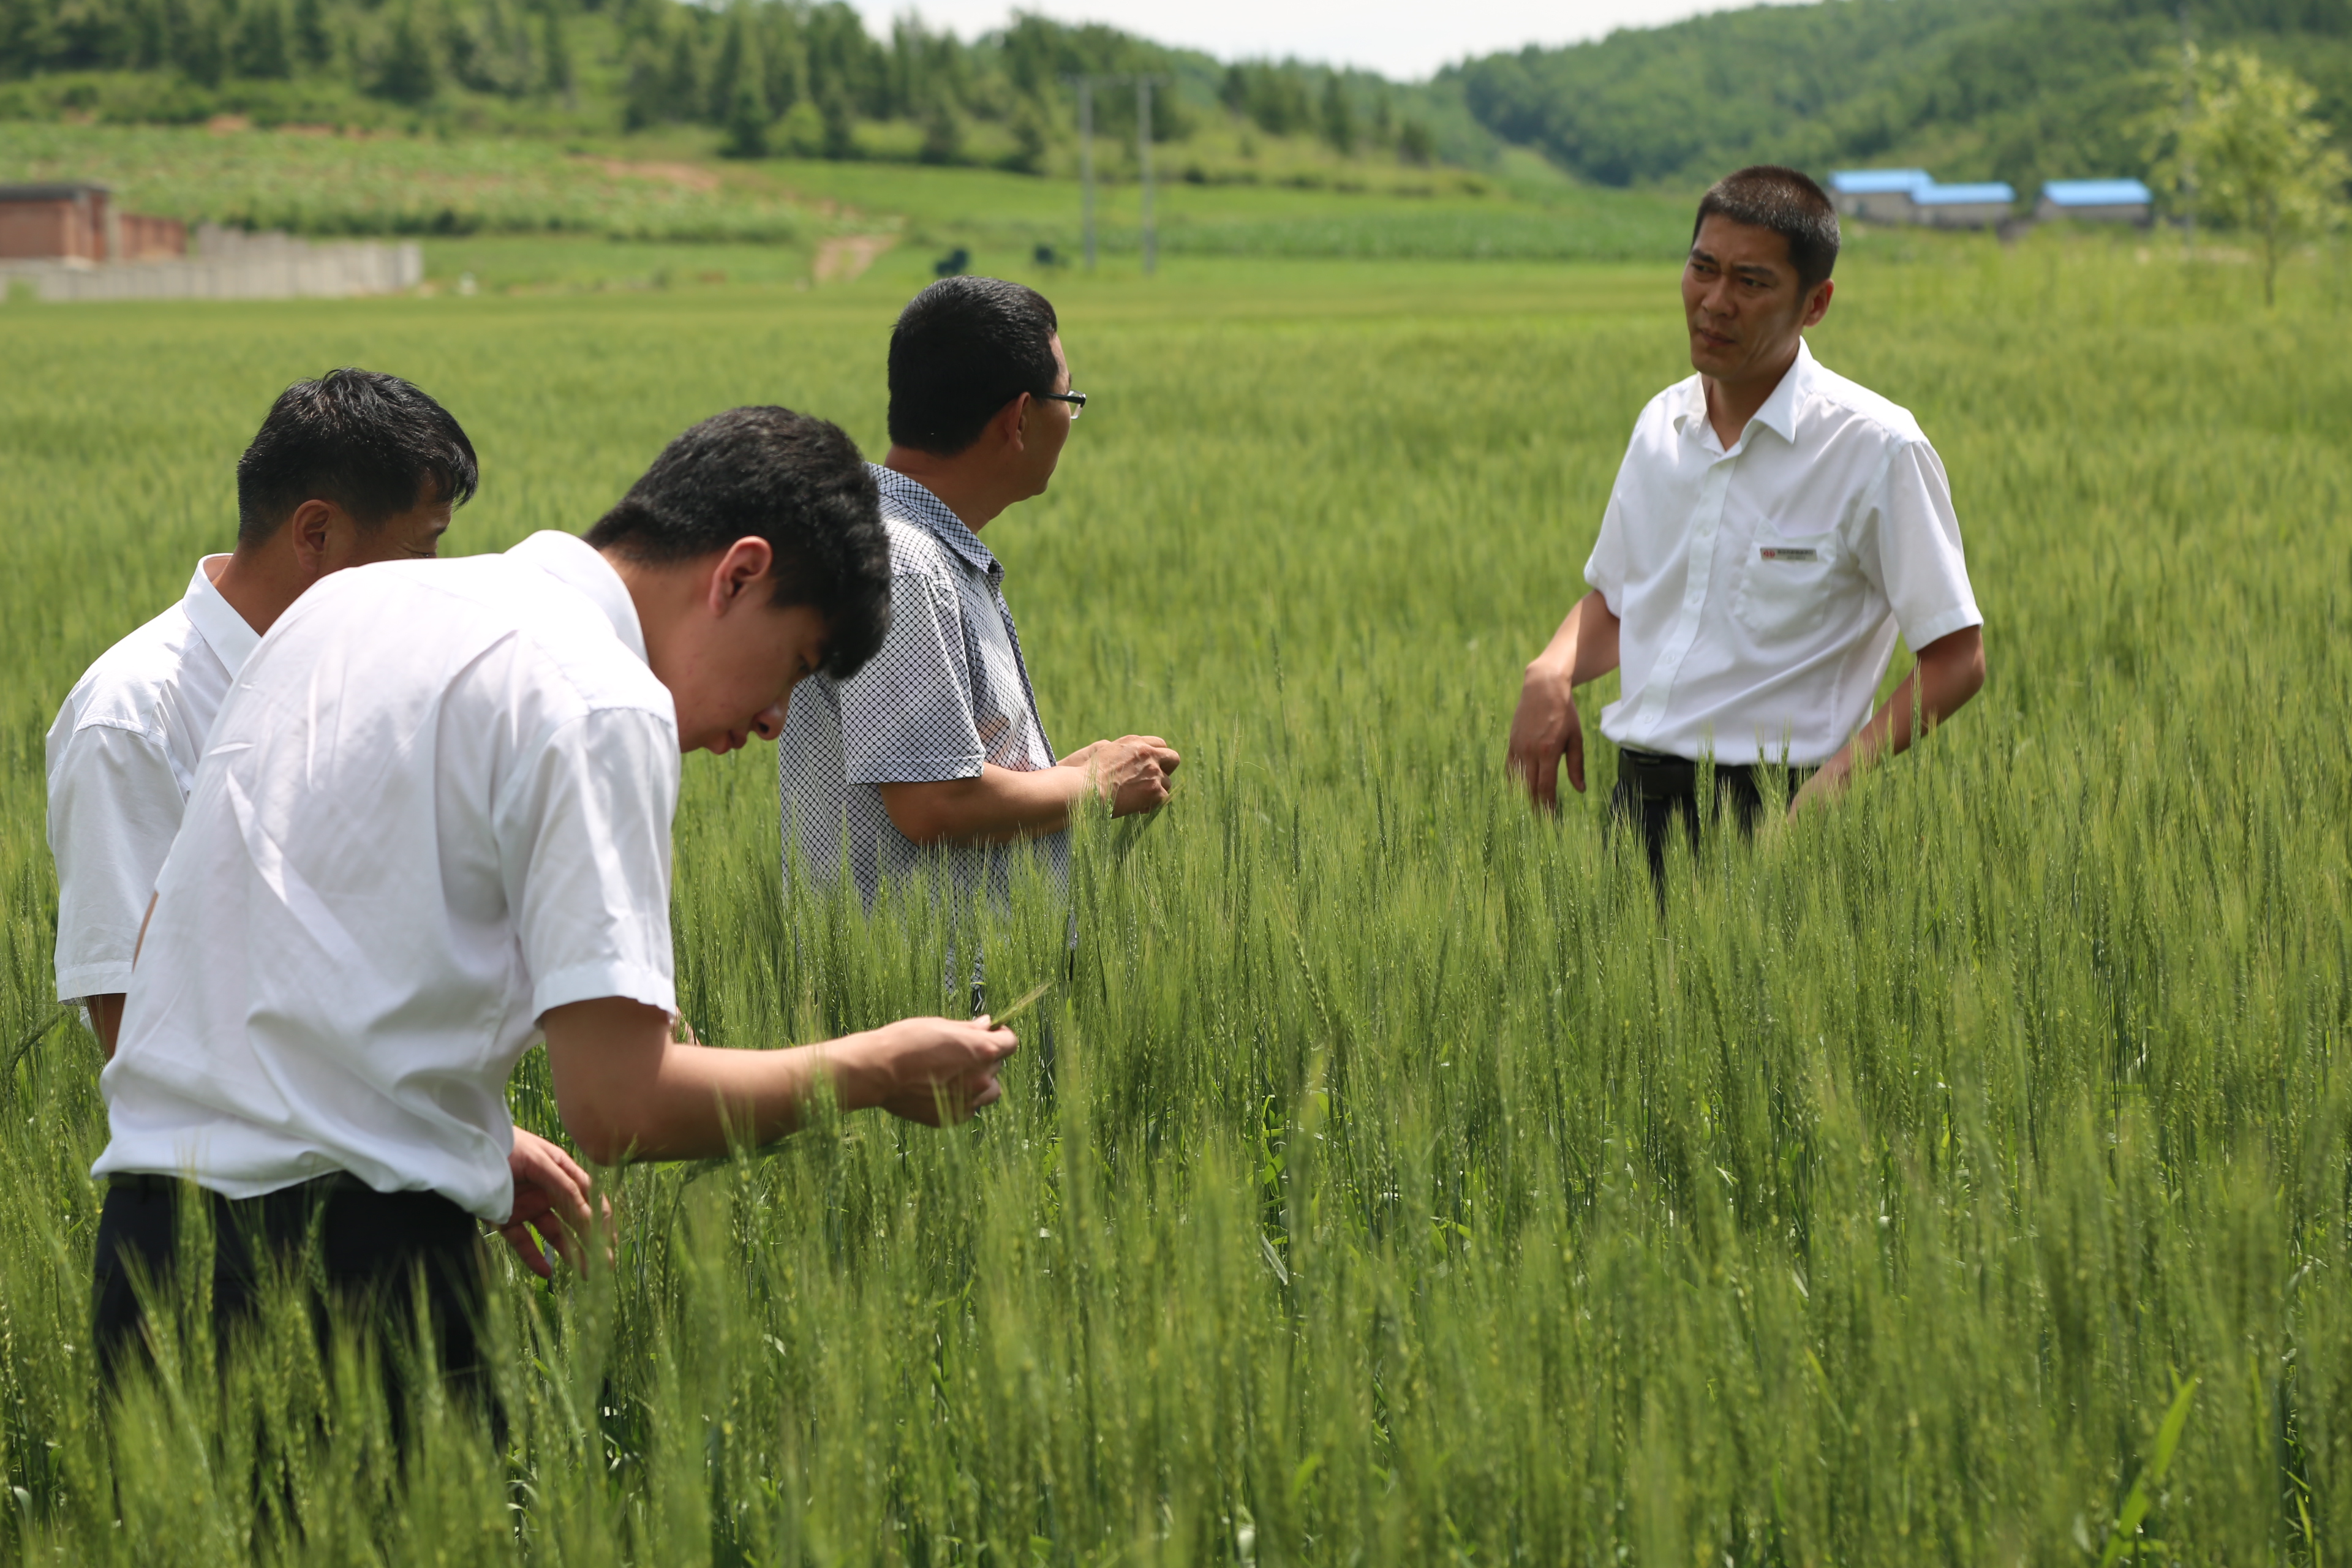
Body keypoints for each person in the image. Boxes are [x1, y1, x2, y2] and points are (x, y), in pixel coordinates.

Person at [91, 405, 1017, 1396]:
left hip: (146, 1256)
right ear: (738, 573)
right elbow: (621, 1109)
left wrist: (469, 1139)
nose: (775, 718)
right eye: (795, 660)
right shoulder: (600, 698)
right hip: (354, 1280)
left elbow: (192, 940)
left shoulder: (342, 608)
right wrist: (872, 1070)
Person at [1506, 165, 1987, 884]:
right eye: (1703, 269)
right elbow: (1619, 602)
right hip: (1635, 812)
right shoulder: (1660, 425)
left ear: (1815, 303)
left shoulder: (1875, 447)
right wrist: (1553, 669)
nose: (1715, 303)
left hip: (1780, 820)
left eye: (1751, 283)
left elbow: (1956, 656)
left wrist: (1828, 794)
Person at [47, 368, 473, 1063]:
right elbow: (147, 1044)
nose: (429, 579)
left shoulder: (367, 677)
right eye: (417, 548)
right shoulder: (133, 721)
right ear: (316, 533)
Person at [778, 276, 1179, 938]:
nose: (1069, 420)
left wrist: (1067, 775)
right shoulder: (904, 565)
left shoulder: (906, 546)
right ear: (1019, 418)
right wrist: (1096, 786)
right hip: (925, 1009)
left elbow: (945, 775)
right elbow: (931, 802)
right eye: (1068, 399)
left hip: (934, 1000)